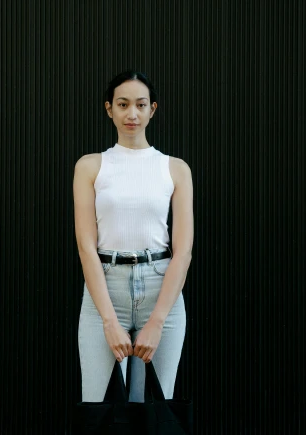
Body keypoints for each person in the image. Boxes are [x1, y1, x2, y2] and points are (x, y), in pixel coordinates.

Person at [74, 70, 193, 402]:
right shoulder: (90, 166)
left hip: (161, 289)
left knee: (152, 407)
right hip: (104, 288)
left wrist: (157, 321)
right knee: (96, 405)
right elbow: (86, 246)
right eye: (123, 104)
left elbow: (183, 253)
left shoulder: (175, 168)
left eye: (140, 105)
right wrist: (109, 321)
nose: (132, 114)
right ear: (109, 109)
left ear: (152, 109)